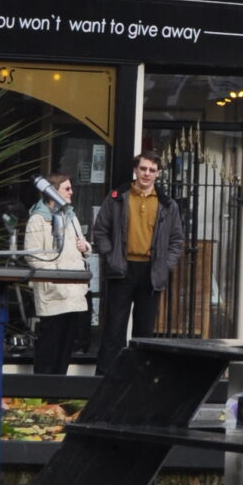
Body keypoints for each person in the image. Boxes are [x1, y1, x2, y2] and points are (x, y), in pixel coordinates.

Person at [90, 151, 186, 373]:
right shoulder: (117, 197)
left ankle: (138, 383)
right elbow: (100, 230)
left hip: (151, 273)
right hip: (121, 270)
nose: (147, 174)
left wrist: (165, 265)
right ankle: (104, 381)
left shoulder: (167, 204)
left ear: (158, 174)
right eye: (143, 169)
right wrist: (110, 256)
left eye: (152, 170)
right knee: (113, 329)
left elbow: (177, 240)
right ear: (135, 169)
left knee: (145, 333)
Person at [23, 172, 92, 375]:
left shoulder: (70, 216)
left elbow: (84, 245)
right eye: (67, 188)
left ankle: (55, 396)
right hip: (53, 292)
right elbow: (33, 257)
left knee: (66, 347)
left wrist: (85, 246)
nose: (72, 192)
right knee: (48, 347)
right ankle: (39, 396)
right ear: (52, 192)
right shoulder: (38, 219)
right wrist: (56, 277)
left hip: (73, 291)